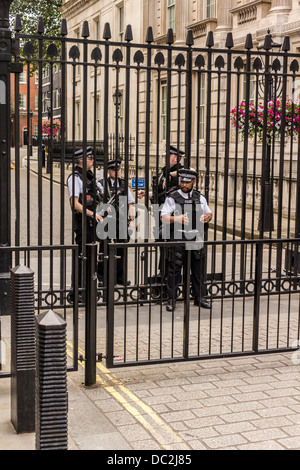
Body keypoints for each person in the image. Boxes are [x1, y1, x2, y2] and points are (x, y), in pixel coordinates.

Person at [161, 168, 212, 312]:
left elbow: (209, 212)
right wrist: (177, 218)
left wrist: (207, 217)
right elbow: (163, 217)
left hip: (196, 236)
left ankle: (200, 297)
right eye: (182, 181)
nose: (184, 184)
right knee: (174, 269)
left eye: (187, 182)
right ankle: (171, 299)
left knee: (198, 269)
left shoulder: (199, 197)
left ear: (193, 182)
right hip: (179, 236)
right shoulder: (172, 197)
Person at [67, 146, 103, 291]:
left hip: (93, 223)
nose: (93, 161)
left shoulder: (89, 177)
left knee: (92, 255)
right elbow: (74, 204)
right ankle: (79, 289)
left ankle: (89, 287)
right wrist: (92, 214)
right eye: (90, 158)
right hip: (83, 223)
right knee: (82, 257)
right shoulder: (75, 178)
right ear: (81, 160)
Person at [97, 160, 135, 285]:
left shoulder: (124, 185)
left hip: (121, 220)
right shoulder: (102, 184)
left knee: (121, 248)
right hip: (107, 220)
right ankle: (102, 277)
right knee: (105, 248)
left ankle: (120, 276)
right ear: (108, 171)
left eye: (118, 169)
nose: (117, 172)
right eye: (114, 170)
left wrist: (132, 220)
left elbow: (130, 204)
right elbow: (98, 202)